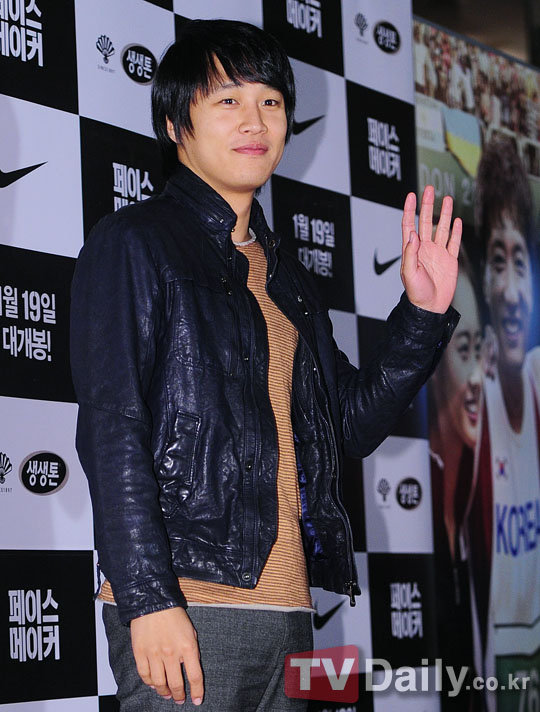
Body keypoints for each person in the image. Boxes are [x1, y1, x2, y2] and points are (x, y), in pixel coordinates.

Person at [70, 19, 462, 712]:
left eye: (271, 101)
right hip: (189, 606)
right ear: (175, 124)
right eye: (228, 100)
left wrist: (422, 315)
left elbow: (347, 427)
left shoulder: (287, 276)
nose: (254, 120)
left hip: (290, 612)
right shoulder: (135, 242)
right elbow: (112, 428)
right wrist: (148, 598)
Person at [468, 135, 540, 711]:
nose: (512, 291)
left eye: (521, 263)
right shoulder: (474, 396)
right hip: (499, 676)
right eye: (498, 262)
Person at [428, 248, 482, 710]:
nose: (479, 376)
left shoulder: (476, 495)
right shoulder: (415, 497)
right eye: (465, 351)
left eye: (481, 350)